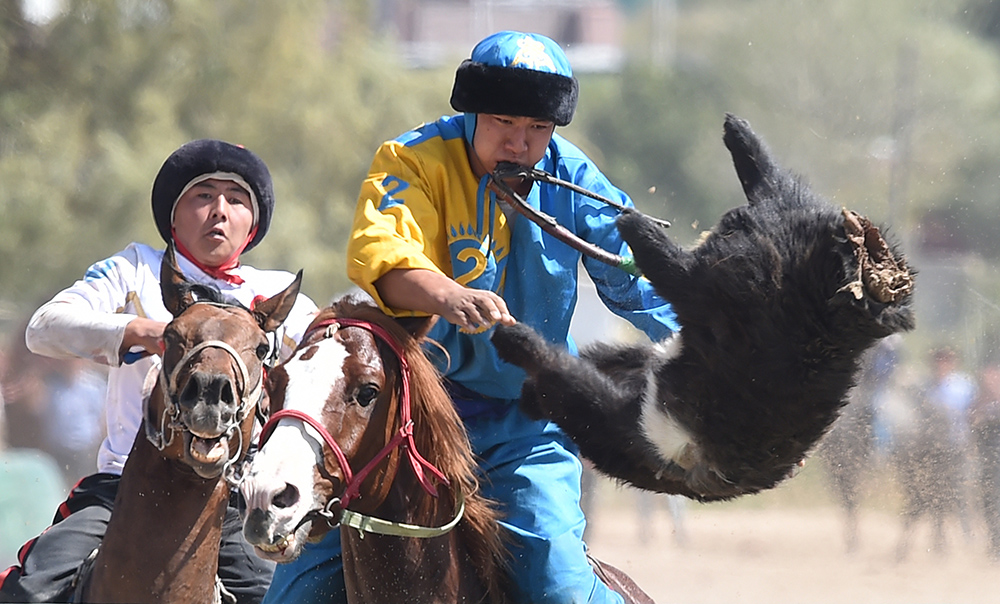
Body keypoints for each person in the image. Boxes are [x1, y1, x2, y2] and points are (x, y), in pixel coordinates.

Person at [265, 31, 679, 604]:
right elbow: (381, 257)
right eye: (504, 123)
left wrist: (716, 365)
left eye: (537, 129)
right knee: (296, 595)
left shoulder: (577, 181)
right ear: (474, 112)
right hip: (403, 425)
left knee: (559, 589)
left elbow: (640, 278)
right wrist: (446, 296)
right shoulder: (412, 160)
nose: (520, 143)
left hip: (525, 426)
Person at [0, 139, 318, 604]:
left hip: (234, 501)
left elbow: (330, 369)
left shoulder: (280, 299)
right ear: (173, 215)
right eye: (203, 195)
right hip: (123, 491)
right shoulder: (133, 270)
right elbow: (43, 328)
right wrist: (143, 332)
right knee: (30, 590)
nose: (219, 211)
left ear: (253, 224)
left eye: (235, 199)